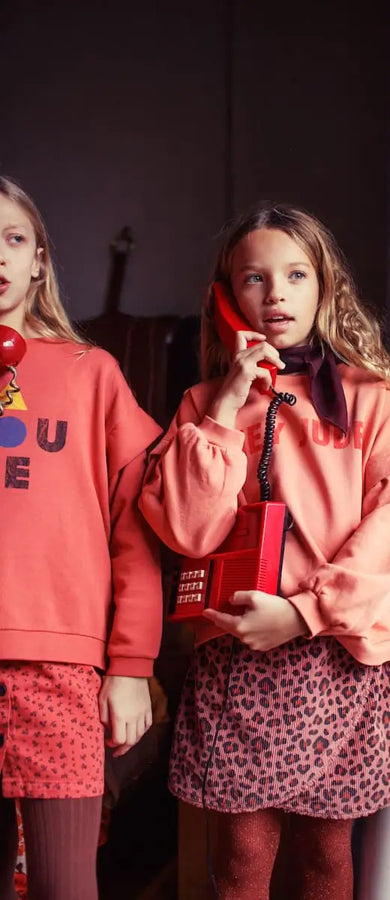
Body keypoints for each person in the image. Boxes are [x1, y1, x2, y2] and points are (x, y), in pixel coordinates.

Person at [140, 203, 390, 899]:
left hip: (338, 655)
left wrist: (305, 612)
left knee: (326, 852)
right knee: (240, 855)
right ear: (225, 296)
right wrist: (223, 410)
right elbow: (186, 529)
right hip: (238, 659)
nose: (276, 293)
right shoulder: (201, 406)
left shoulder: (372, 401)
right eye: (254, 278)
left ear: (324, 289)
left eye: (295, 275)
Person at [0, 176, 163, 900]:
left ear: (40, 259)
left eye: (13, 237)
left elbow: (138, 527)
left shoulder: (90, 372)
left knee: (66, 887)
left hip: (59, 669)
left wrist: (130, 664)